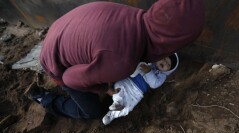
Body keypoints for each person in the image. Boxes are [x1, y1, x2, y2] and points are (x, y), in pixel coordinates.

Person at [25, 0, 204, 119]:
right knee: (93, 112)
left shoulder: (135, 16)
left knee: (104, 68)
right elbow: (69, 79)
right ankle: (45, 99)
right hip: (54, 61)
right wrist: (105, 89)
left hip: (59, 30)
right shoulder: (123, 61)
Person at [102, 53, 179, 125]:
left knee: (128, 107)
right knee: (118, 87)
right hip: (128, 81)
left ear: (168, 71)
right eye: (165, 58)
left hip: (137, 93)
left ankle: (111, 115)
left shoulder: (162, 76)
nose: (165, 63)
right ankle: (117, 102)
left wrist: (148, 72)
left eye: (168, 65)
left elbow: (154, 84)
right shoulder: (151, 59)